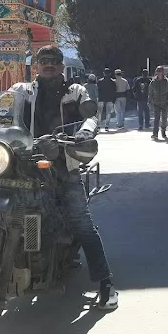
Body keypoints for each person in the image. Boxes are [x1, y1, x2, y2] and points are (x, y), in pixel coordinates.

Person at [12, 46, 118, 310]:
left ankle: (105, 282)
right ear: (36, 65)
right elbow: (1, 112)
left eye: (54, 61)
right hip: (26, 162)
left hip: (64, 162)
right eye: (44, 61)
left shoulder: (76, 91)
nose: (49, 65)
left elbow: (90, 115)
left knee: (81, 221)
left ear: (61, 66)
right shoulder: (21, 91)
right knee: (12, 214)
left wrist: (84, 132)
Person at [149, 65, 168, 140]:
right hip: (156, 103)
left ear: (163, 72)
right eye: (157, 71)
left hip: (165, 103)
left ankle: (163, 132)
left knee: (164, 119)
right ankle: (155, 134)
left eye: (160, 71)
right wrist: (150, 101)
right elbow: (150, 92)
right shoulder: (153, 82)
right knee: (156, 119)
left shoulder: (167, 81)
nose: (159, 73)